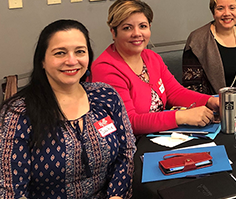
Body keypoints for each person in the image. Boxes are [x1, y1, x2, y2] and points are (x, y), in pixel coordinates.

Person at [0, 19, 135, 199]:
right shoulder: (18, 113)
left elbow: (126, 152)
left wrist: (116, 195)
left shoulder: (105, 95)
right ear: (42, 61)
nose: (72, 61)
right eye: (60, 53)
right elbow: (11, 190)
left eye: (80, 51)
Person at [92, 0, 219, 135]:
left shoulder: (151, 57)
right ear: (113, 32)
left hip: (160, 136)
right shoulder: (105, 69)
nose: (137, 33)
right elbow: (128, 122)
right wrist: (181, 116)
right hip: (133, 145)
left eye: (143, 26)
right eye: (127, 28)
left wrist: (210, 101)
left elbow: (174, 93)